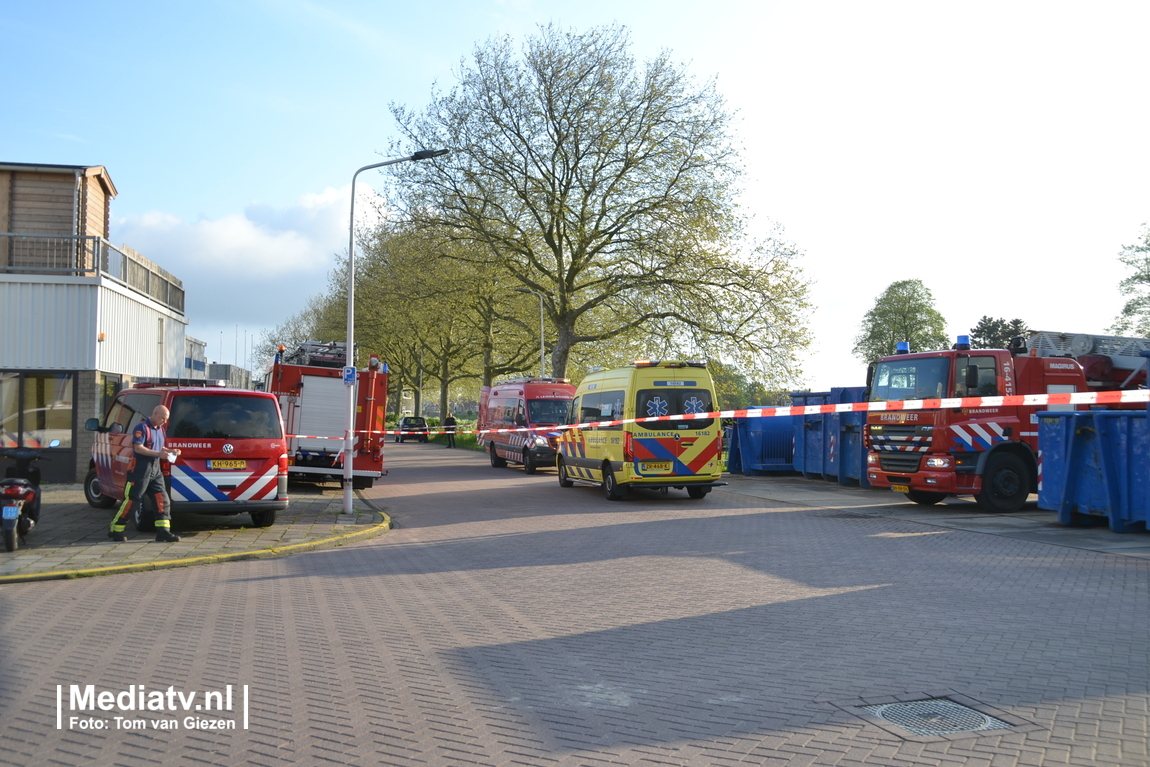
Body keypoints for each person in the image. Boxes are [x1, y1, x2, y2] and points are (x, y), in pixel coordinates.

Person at [109, 405, 181, 542]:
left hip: (155, 468)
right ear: (154, 414)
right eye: (162, 418)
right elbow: (139, 448)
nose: (164, 422)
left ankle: (163, 532)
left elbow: (159, 447)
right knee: (133, 500)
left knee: (162, 500)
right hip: (140, 468)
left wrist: (170, 451)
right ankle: (116, 529)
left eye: (166, 419)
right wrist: (159, 454)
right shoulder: (141, 428)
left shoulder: (160, 429)